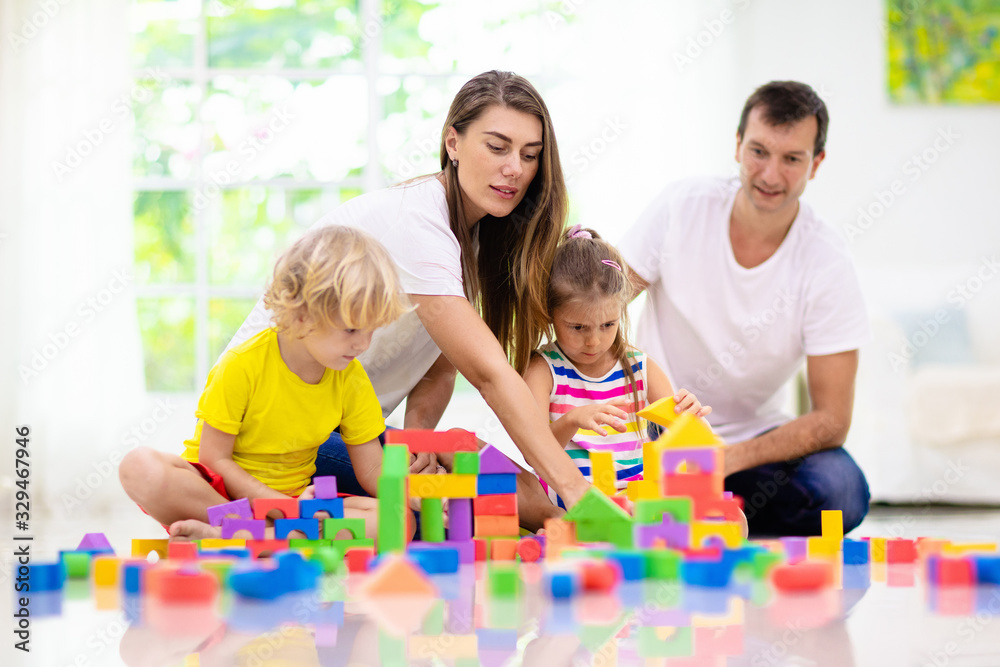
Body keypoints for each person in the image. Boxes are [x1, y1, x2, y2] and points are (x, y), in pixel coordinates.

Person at [227, 71, 593, 531]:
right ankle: (243, 524)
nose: (515, 168)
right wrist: (577, 488)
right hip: (272, 437)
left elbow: (440, 364)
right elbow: (487, 373)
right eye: (497, 147)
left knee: (502, 483)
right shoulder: (419, 223)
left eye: (530, 155)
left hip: (350, 432)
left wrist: (418, 443)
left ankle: (567, 524)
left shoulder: (476, 240)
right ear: (453, 143)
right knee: (443, 516)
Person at [620, 81, 871, 536]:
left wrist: (725, 459)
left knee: (841, 491)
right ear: (737, 145)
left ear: (816, 163)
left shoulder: (828, 261)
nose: (771, 175)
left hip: (750, 450)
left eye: (792, 158)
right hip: (655, 432)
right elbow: (604, 301)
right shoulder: (682, 206)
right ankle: (688, 504)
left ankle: (695, 508)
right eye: (758, 151)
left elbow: (832, 419)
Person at [118, 226, 412, 541]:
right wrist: (280, 509)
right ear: (302, 314)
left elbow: (372, 472)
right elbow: (213, 459)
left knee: (399, 520)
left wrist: (418, 495)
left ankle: (253, 537)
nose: (363, 345)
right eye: (352, 330)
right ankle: (266, 534)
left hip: (293, 501)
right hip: (218, 496)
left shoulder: (351, 379)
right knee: (138, 467)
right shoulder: (242, 364)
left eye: (372, 330)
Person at [522, 226, 713, 509]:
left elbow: (682, 443)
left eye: (608, 325)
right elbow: (533, 452)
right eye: (578, 327)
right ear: (551, 314)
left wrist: (693, 418)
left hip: (637, 494)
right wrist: (573, 419)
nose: (594, 341)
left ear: (621, 312)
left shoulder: (640, 367)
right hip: (573, 497)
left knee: (732, 518)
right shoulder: (543, 370)